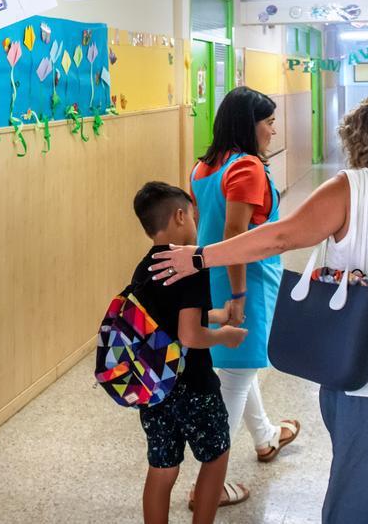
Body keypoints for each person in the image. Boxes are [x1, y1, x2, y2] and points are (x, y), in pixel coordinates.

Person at [151, 92, 368, 524]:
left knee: (358, 504)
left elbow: (282, 237)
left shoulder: (354, 187)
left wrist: (199, 256)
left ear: (357, 139)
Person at [190, 87, 300, 508]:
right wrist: (237, 295)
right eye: (268, 122)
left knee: (241, 365)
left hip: (214, 274)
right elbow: (234, 236)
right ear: (247, 124)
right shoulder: (247, 168)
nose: (273, 130)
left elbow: (207, 225)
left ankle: (267, 436)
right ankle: (209, 486)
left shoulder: (205, 165)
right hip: (243, 279)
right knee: (234, 379)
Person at [129, 182, 250, 524]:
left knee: (162, 469)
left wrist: (217, 315)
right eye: (194, 217)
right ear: (180, 216)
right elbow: (190, 334)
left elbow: (171, 317)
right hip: (193, 385)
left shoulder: (144, 269)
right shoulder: (190, 265)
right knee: (215, 458)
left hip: (154, 387)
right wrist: (224, 335)